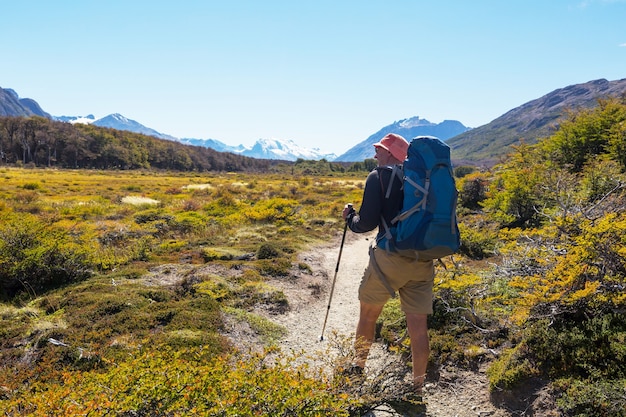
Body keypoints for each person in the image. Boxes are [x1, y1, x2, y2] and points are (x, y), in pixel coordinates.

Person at [341, 133, 434, 397]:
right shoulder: (423, 179)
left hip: (389, 258)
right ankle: (417, 389)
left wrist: (350, 220)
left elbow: (367, 223)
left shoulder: (378, 176)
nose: (375, 155)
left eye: (379, 149)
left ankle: (357, 371)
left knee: (368, 315)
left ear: (391, 152)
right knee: (418, 326)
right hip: (423, 259)